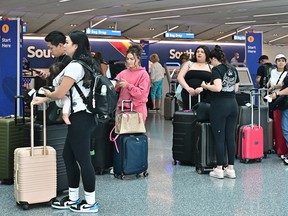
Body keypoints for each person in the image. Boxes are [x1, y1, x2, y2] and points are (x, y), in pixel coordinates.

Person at [32, 30, 100, 213]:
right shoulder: (89, 63)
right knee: (68, 157)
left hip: (81, 117)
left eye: (68, 42)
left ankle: (91, 202)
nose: (65, 44)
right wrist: (45, 99)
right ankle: (73, 197)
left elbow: (60, 93)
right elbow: (69, 92)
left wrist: (47, 94)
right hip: (85, 116)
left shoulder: (75, 66)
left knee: (83, 160)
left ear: (76, 46)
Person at [201, 45, 239, 179]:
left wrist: (205, 86)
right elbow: (235, 89)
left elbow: (217, 88)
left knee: (219, 137)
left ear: (213, 59)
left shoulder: (216, 69)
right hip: (233, 105)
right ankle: (231, 168)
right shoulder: (233, 69)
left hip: (219, 106)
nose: (210, 63)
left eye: (210, 60)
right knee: (230, 137)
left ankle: (219, 169)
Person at [114, 44, 150, 122]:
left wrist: (128, 85)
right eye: (127, 59)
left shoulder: (143, 74)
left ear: (138, 59)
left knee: (134, 133)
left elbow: (141, 94)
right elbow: (115, 87)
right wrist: (116, 85)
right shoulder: (123, 73)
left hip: (137, 111)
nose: (129, 61)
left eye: (132, 59)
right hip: (122, 110)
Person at [177, 45, 212, 110]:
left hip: (205, 95)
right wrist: (188, 88)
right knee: (187, 113)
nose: (199, 53)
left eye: (202, 52)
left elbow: (214, 81)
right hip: (187, 93)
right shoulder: (189, 64)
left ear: (206, 54)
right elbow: (180, 77)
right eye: (198, 51)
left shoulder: (211, 66)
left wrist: (203, 88)